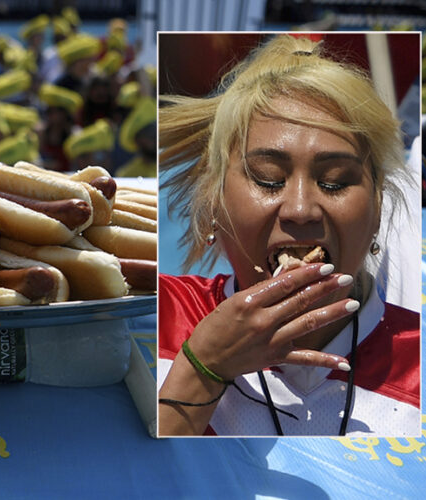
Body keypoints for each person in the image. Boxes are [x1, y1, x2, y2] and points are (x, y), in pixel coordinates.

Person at [157, 34, 420, 436]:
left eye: (334, 181)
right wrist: (204, 366)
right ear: (213, 200)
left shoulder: (415, 361)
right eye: (268, 179)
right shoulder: (149, 319)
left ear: (378, 206)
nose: (300, 209)